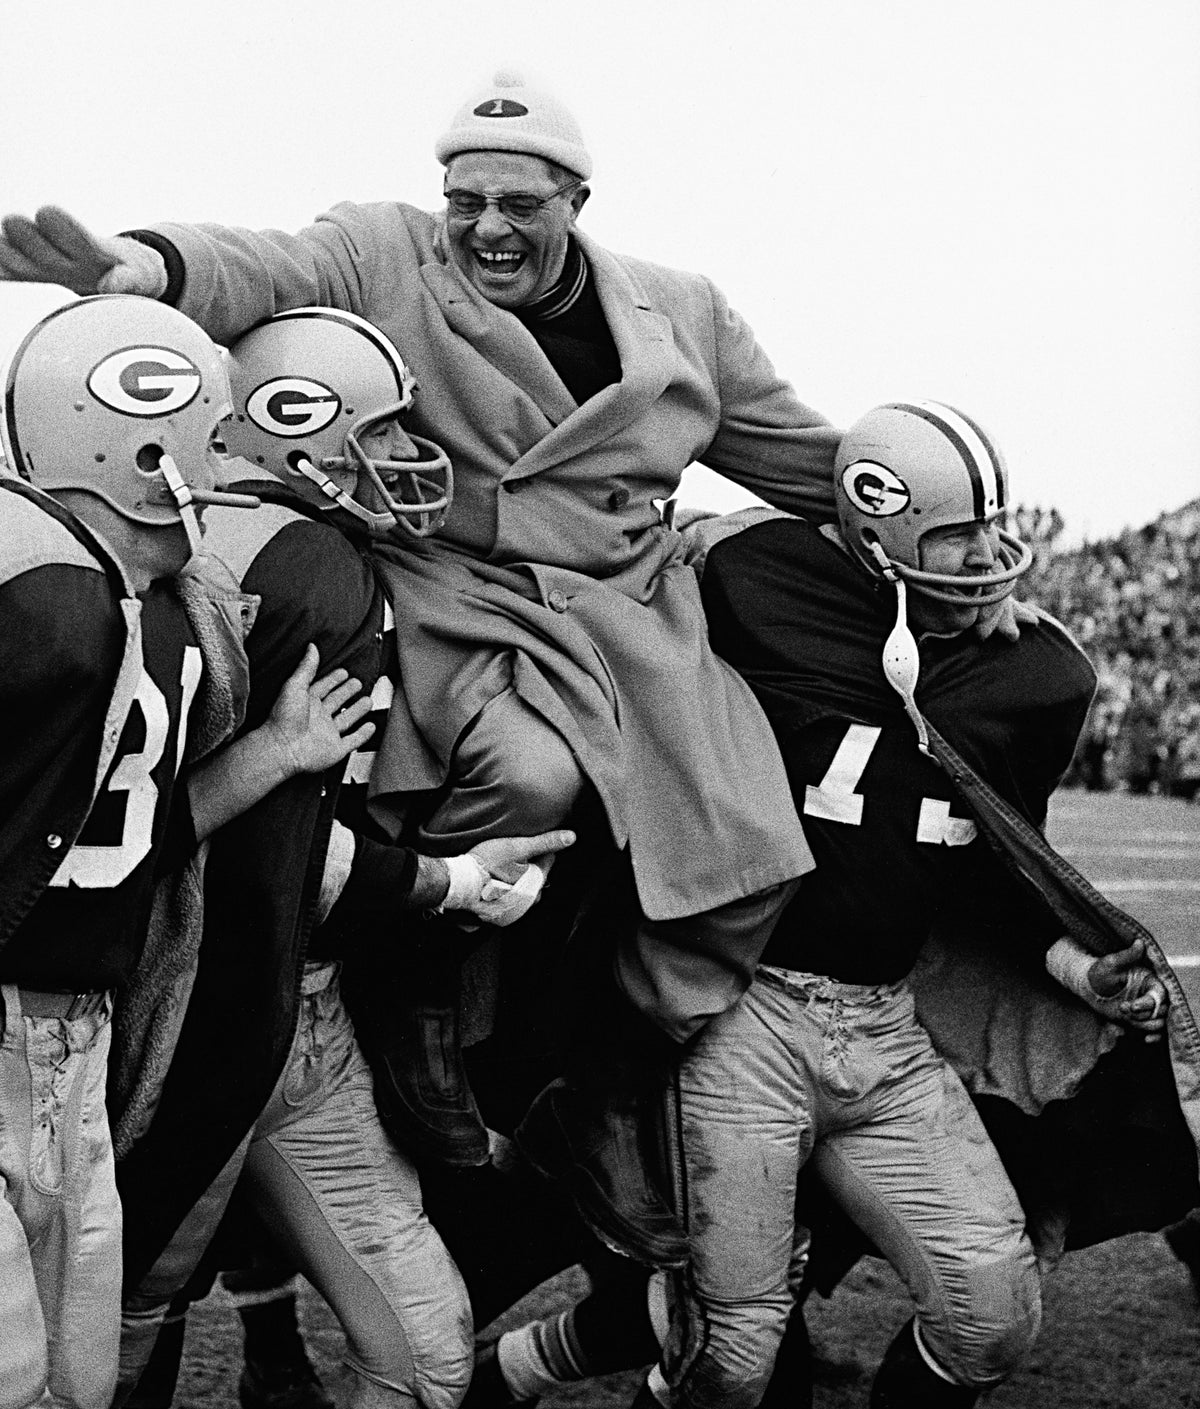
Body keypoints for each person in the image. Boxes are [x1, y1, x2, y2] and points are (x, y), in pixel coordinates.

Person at [0, 71, 1032, 1266]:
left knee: (751, 846)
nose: (486, 225)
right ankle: (422, 996)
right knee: (532, 775)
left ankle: (601, 1089)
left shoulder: (684, 313)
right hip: (461, 593)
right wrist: (151, 266)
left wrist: (956, 547)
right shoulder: (386, 250)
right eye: (465, 198)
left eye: (518, 203)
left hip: (630, 609)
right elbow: (265, 265)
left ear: (577, 200)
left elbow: (805, 458)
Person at [646, 399, 1195, 1409]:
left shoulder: (1039, 672)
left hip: (886, 1022)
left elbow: (991, 860)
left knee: (992, 1309)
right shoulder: (750, 573)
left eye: (992, 528)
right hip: (742, 1009)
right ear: (867, 534)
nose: (984, 560)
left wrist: (1075, 963)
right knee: (738, 1349)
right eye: (953, 537)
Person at [112, 306, 577, 1409]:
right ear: (288, 423)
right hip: (205, 1010)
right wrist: (453, 881)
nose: (409, 460)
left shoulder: (194, 542)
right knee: (125, 1336)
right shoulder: (312, 561)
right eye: (380, 431)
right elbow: (273, 859)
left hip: (190, 997)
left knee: (135, 1331)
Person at [0, 294, 375, 1409]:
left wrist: (274, 752)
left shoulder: (159, 611)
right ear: (133, 438)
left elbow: (130, 835)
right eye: (209, 440)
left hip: (79, 1037)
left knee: (72, 1379)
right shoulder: (39, 591)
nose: (224, 471)